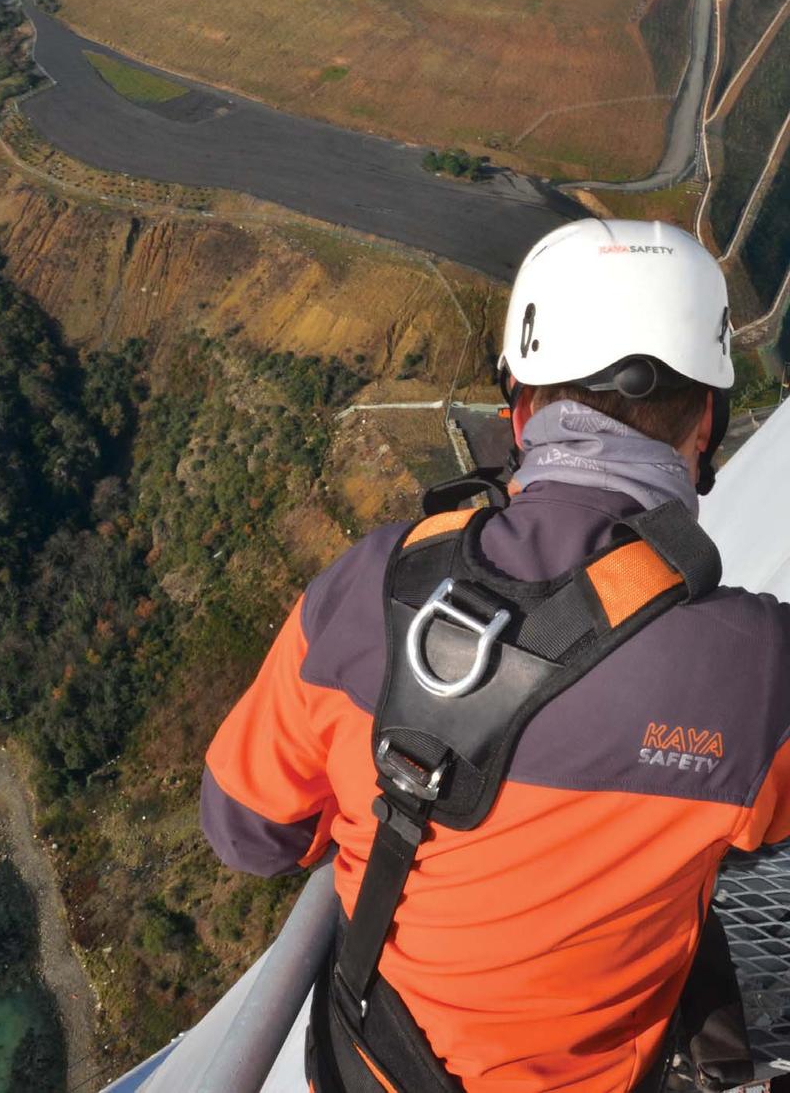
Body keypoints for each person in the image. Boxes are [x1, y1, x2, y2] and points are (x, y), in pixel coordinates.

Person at [200, 218, 790, 1093]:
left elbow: (244, 831)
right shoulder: (758, 671)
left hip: (366, 1068)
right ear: (708, 418)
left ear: (518, 408)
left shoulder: (366, 588)